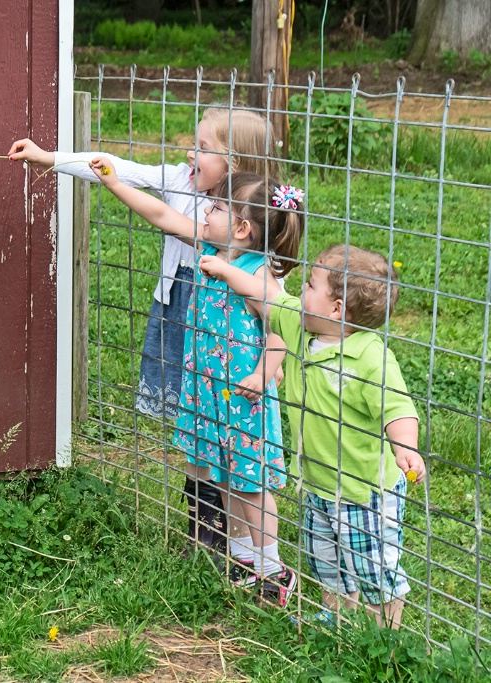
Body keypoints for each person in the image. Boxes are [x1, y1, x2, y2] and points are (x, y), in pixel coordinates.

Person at [8, 109, 282, 556]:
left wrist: (273, 358)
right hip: (187, 314)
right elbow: (117, 169)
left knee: (228, 436)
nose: (190, 153)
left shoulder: (250, 228)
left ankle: (236, 542)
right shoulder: (181, 180)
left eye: (204, 149)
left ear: (234, 165)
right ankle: (206, 529)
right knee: (195, 420)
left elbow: (276, 311)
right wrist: (49, 158)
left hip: (233, 338)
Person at [87, 163, 302, 606]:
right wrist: (113, 182)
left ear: (242, 228)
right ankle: (244, 559)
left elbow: (282, 323)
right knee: (224, 477)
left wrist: (265, 372)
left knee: (250, 483)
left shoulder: (257, 272)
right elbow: (163, 217)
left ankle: (274, 569)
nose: (206, 210)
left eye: (217, 207)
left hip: (245, 398)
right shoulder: (213, 249)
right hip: (208, 392)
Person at [200, 241, 427, 629]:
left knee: (375, 569)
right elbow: (264, 294)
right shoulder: (300, 328)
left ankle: (383, 639)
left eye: (309, 286)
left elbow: (398, 408)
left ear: (336, 309)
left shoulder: (370, 357)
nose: (299, 291)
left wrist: (405, 447)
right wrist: (225, 271)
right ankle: (337, 620)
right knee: (326, 560)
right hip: (320, 484)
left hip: (366, 492)